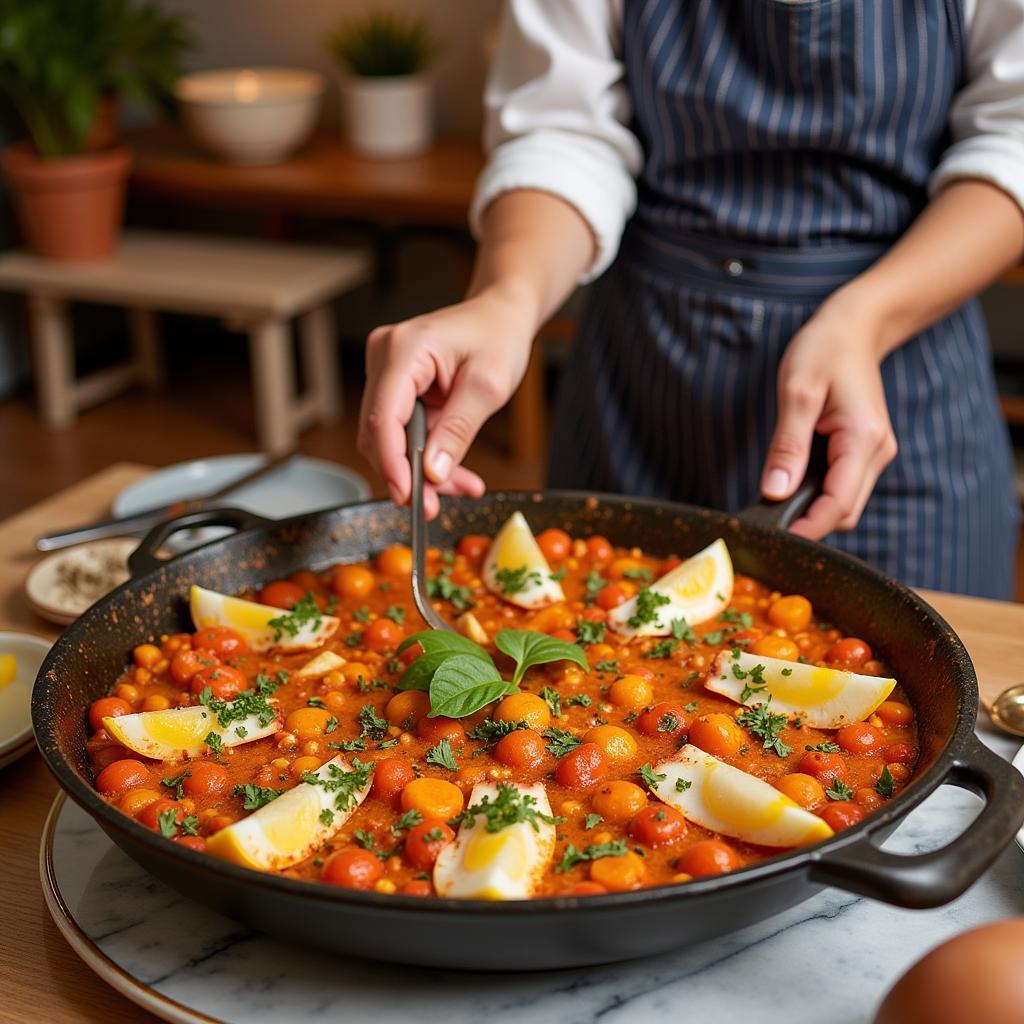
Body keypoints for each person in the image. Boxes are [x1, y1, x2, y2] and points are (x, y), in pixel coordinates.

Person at [358, 0, 1024, 599]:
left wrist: (867, 318)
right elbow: (563, 133)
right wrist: (507, 297)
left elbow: (1013, 139)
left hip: (895, 363)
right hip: (644, 370)